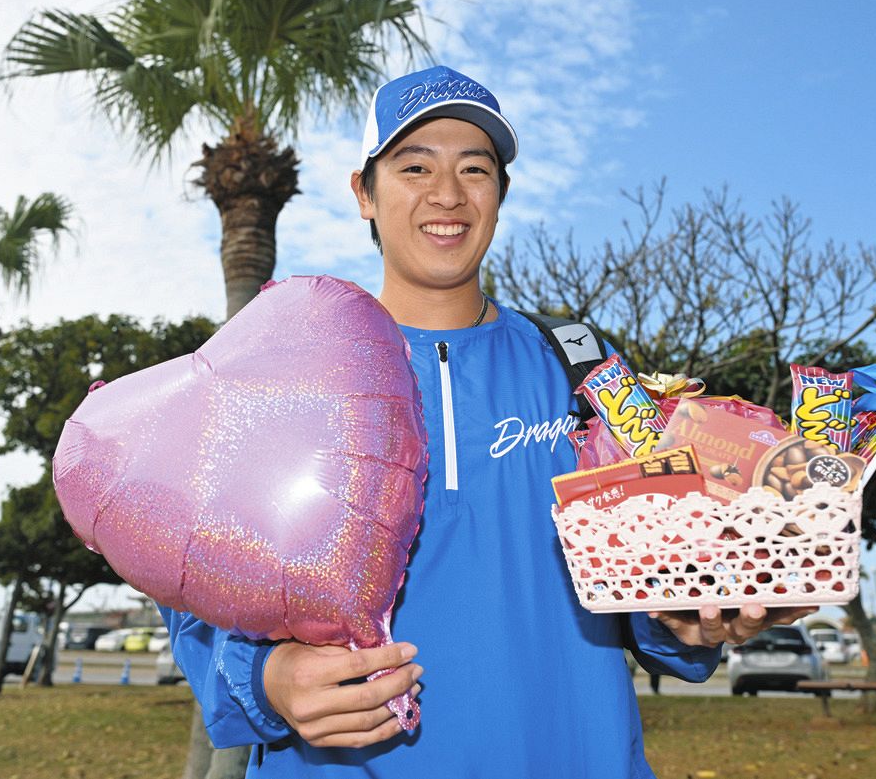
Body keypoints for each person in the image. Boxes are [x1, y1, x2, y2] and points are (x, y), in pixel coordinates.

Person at [161, 65, 814, 777]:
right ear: (363, 193)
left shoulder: (587, 372)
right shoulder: (291, 368)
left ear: (500, 194)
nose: (447, 193)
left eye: (476, 168)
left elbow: (651, 601)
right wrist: (269, 675)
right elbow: (194, 580)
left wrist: (690, 615)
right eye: (414, 166)